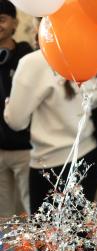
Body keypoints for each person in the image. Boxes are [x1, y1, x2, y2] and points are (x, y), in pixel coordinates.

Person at [4, 18, 97, 213]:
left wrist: (9, 105)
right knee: (83, 234)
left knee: (48, 240)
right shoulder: (91, 52)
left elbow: (16, 121)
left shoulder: (33, 62)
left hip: (50, 165)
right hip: (90, 155)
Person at [0, 0, 32, 217]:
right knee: (2, 214)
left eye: (1, 19)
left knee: (34, 208)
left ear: (15, 23)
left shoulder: (26, 57)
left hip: (25, 148)